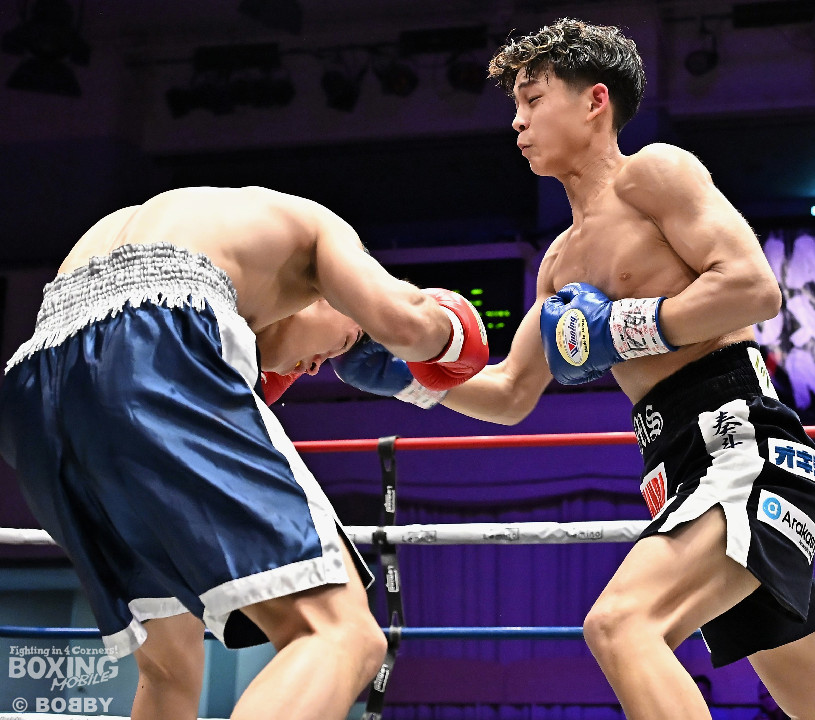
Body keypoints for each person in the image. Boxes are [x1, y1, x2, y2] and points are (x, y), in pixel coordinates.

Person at [330, 18, 815, 720]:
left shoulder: (655, 174)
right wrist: (414, 376)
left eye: (533, 99)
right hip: (679, 472)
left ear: (595, 101)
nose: (517, 121)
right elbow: (510, 392)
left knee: (621, 626)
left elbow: (753, 288)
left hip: (741, 446)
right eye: (515, 106)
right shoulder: (558, 265)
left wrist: (622, 328)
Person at [0, 186, 488, 720]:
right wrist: (450, 333)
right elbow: (406, 321)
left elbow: (508, 398)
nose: (320, 367)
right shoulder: (321, 228)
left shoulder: (183, 225)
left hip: (35, 391)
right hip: (154, 348)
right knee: (341, 633)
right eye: (348, 343)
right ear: (335, 294)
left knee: (168, 674)